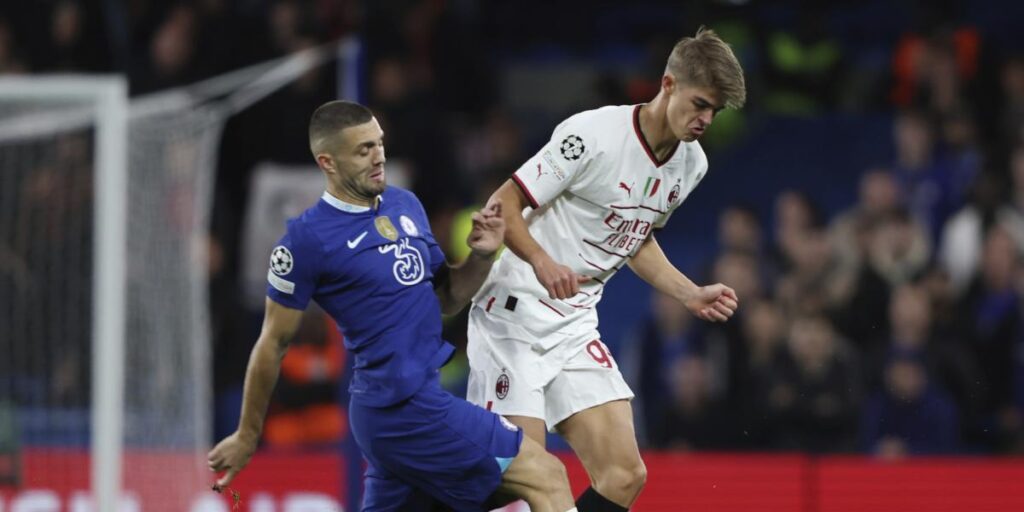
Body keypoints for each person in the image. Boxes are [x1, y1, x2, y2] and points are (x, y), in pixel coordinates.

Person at [207, 100, 579, 512]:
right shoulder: (305, 242)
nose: (379, 156)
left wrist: (481, 257)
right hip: (401, 407)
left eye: (379, 143)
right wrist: (246, 434)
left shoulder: (405, 205)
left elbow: (447, 297)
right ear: (327, 162)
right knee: (547, 477)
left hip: (407, 403)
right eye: (363, 149)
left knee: (485, 493)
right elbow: (272, 344)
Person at [467, 28, 746, 510]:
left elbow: (634, 237)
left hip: (575, 322)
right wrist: (542, 261)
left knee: (624, 474)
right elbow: (504, 203)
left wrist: (687, 293)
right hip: (514, 311)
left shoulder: (691, 165)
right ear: (668, 85)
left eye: (714, 112)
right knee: (519, 482)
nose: (705, 120)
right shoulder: (592, 135)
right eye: (700, 104)